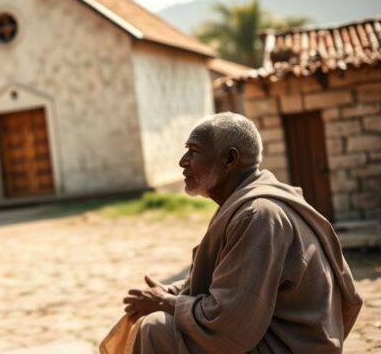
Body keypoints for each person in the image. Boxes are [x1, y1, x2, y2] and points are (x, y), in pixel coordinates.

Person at [121, 112, 363, 353]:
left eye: (194, 151)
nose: (183, 161)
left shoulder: (258, 214)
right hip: (272, 337)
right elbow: (228, 279)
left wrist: (165, 303)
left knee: (156, 328)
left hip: (290, 347)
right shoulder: (243, 204)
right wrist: (171, 292)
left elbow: (228, 325)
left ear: (229, 159)